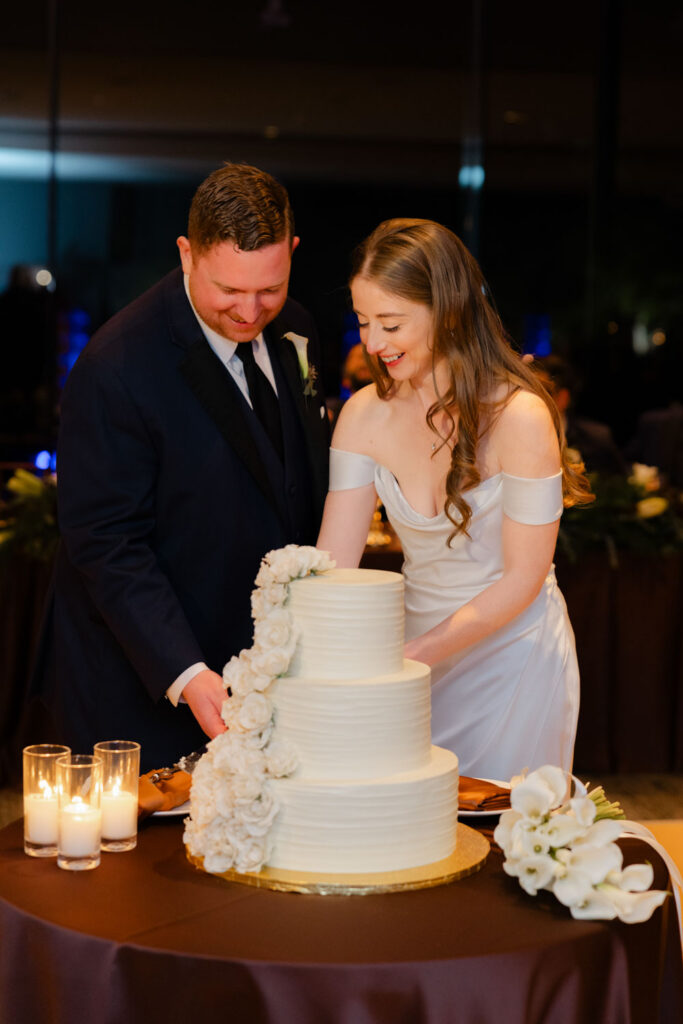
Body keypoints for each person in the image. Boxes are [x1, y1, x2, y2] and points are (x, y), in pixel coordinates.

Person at [32, 163, 329, 771]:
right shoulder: (116, 366)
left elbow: (292, 482)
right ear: (186, 254)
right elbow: (106, 543)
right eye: (228, 290)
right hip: (145, 680)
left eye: (268, 288)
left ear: (292, 252)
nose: (250, 312)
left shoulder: (296, 328)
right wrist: (188, 671)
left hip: (264, 670)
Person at [317, 218, 592, 780]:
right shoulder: (362, 414)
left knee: (500, 841)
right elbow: (332, 565)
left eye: (391, 324)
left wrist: (414, 657)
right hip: (412, 651)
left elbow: (523, 577)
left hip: (512, 656)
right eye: (364, 322)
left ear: (447, 311)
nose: (371, 344)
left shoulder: (521, 416)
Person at [533, 354, 626, 476]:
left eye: (538, 393)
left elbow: (618, 488)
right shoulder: (514, 441)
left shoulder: (596, 440)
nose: (527, 400)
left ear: (562, 398)